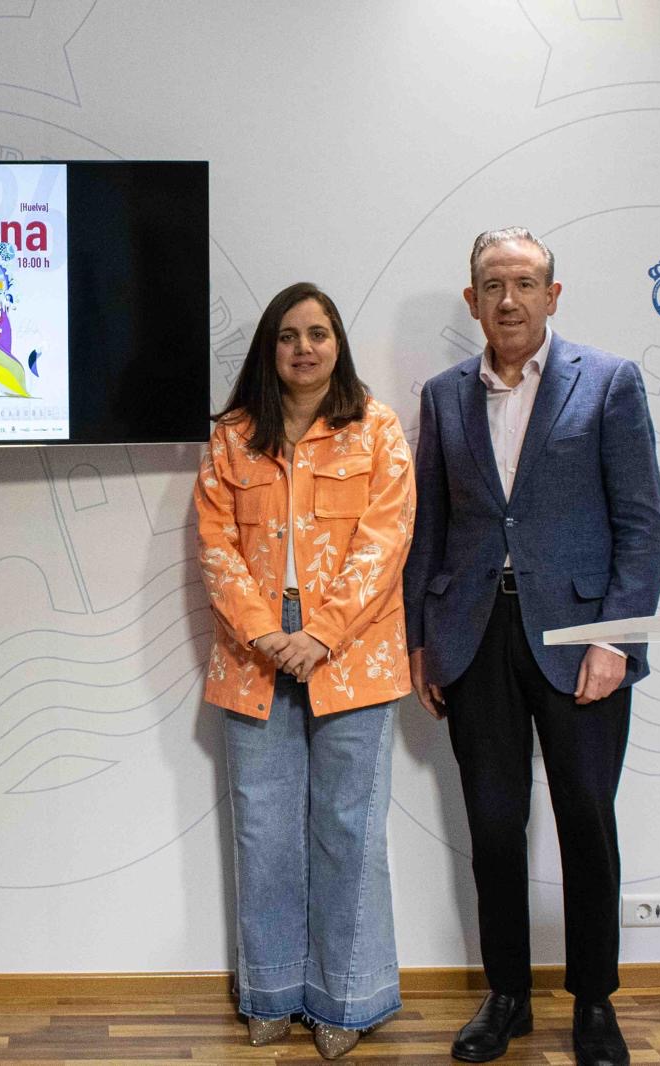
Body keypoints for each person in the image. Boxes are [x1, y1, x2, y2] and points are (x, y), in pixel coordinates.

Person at [403, 228, 660, 1066]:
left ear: (552, 296)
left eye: (524, 283)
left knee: (586, 818)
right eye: (493, 285)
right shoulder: (444, 396)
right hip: (474, 635)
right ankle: (508, 995)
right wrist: (420, 640)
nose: (508, 299)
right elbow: (430, 527)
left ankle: (593, 1002)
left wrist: (615, 638)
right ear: (472, 299)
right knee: (493, 824)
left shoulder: (610, 381)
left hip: (581, 640)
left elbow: (644, 526)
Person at [194, 282, 414, 1060]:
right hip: (253, 651)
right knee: (264, 827)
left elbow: (386, 543)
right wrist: (268, 633)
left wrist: (319, 633)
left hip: (353, 649)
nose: (304, 348)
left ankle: (345, 1000)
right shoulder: (232, 437)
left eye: (318, 333)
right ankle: (271, 992)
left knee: (349, 830)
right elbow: (216, 546)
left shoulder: (378, 429)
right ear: (270, 348)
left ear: (338, 344)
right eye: (288, 335)